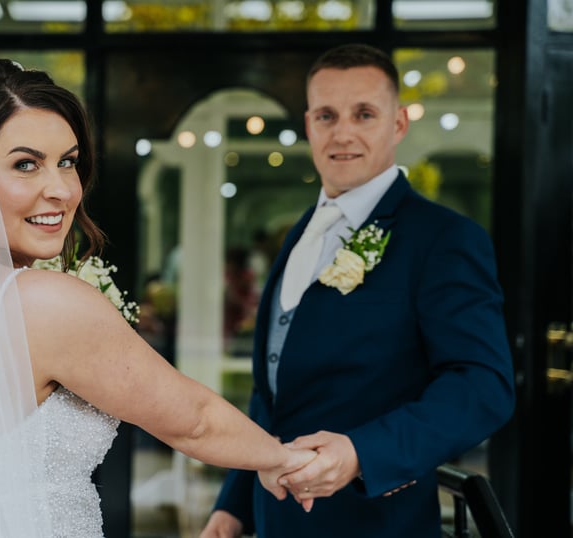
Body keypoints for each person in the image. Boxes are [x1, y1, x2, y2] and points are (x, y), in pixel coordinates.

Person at [0, 41, 317, 538]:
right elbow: (195, 421)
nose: (61, 189)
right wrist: (282, 458)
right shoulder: (44, 303)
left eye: (69, 161)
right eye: (25, 164)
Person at [200, 43, 515, 538]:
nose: (342, 133)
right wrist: (235, 505)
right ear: (308, 125)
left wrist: (363, 453)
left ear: (398, 124)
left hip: (375, 522)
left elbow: (482, 385)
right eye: (327, 115)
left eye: (364, 114)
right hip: (276, 519)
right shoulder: (302, 230)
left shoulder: (444, 239)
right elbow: (276, 391)